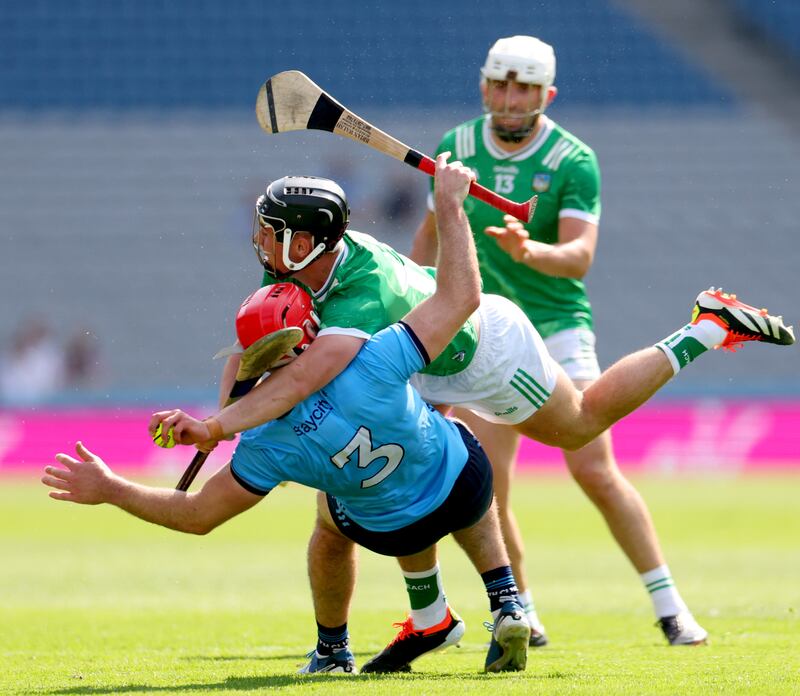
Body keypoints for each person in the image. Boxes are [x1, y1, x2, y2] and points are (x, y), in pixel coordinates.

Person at [156, 157, 793, 661]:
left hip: (481, 355)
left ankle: (705, 328)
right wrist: (226, 415)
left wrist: (218, 426)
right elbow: (254, 350)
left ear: (306, 240)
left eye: (271, 231)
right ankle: (429, 619)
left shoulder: (358, 298)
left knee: (579, 425)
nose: (259, 239)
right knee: (349, 498)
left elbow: (302, 379)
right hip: (418, 370)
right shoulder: (306, 273)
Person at [42, 156, 533, 675]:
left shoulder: (269, 447)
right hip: (457, 488)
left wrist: (113, 487)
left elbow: (196, 516)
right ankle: (505, 600)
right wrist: (453, 208)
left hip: (387, 532)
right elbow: (461, 297)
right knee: (452, 438)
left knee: (330, 520)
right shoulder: (371, 357)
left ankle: (334, 650)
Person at [410, 35, 706, 645]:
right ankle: (522, 611)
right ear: (484, 85)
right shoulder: (456, 147)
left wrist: (530, 250)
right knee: (492, 481)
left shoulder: (574, 158)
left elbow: (579, 257)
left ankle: (669, 605)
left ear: (548, 94)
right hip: (486, 332)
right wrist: (415, 303)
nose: (510, 98)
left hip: (557, 326)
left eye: (524, 88)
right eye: (499, 84)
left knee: (594, 468)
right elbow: (431, 234)